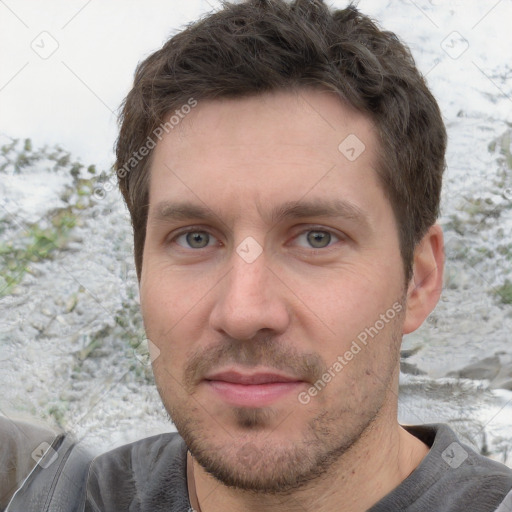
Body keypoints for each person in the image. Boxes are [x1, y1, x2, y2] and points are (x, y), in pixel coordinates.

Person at [2, 0, 512, 511]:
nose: (244, 312)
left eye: (316, 238)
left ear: (418, 281)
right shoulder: (48, 495)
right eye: (195, 239)